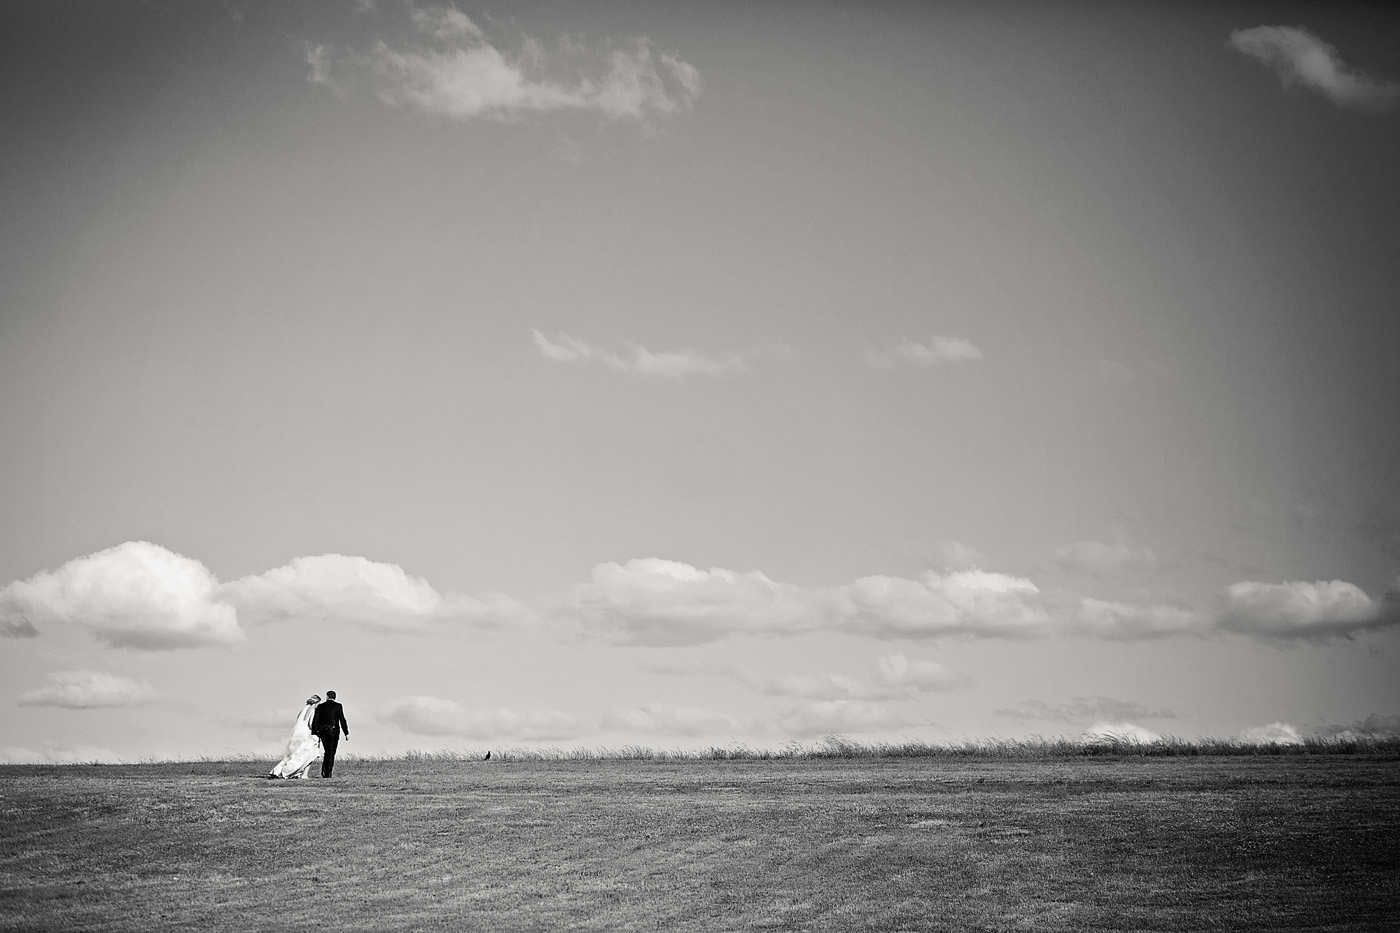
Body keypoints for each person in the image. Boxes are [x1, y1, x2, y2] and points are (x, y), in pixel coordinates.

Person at [268, 695, 322, 779]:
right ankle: (288, 772)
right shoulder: (313, 710)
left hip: (296, 735)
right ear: (317, 702)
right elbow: (311, 723)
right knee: (302, 756)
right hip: (305, 735)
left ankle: (276, 771)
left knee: (289, 757)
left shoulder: (302, 710)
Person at [309, 689, 350, 778]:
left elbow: (316, 720)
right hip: (333, 731)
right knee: (331, 752)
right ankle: (327, 773)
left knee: (327, 751)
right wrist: (346, 733)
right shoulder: (338, 706)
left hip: (323, 731)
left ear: (327, 696)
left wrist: (316, 732)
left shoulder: (320, 706)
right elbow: (342, 719)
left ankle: (325, 771)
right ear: (335, 697)